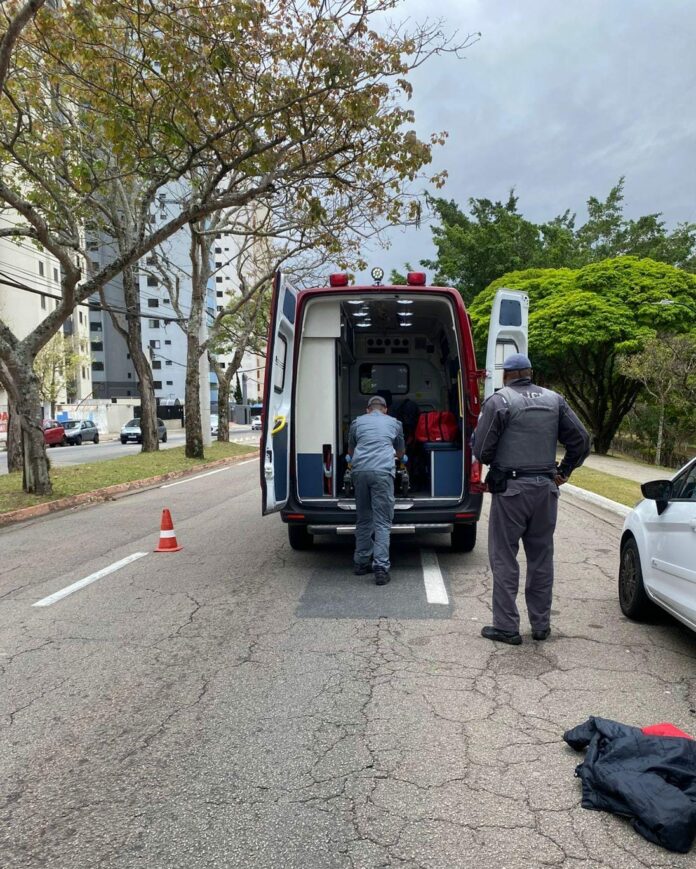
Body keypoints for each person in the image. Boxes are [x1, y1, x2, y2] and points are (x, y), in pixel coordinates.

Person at [473, 353, 590, 644]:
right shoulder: (555, 400)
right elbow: (582, 440)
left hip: (512, 491)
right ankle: (540, 625)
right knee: (541, 557)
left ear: (506, 376)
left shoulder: (500, 401)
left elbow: (483, 449)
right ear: (530, 373)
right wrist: (564, 470)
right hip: (546, 489)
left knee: (504, 557)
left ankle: (506, 626)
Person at [347, 395, 405, 585]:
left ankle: (361, 563)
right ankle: (380, 568)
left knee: (363, 518)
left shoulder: (356, 423)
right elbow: (400, 453)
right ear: (386, 409)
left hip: (360, 471)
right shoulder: (395, 423)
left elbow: (351, 452)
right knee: (381, 522)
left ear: (368, 409)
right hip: (382, 473)